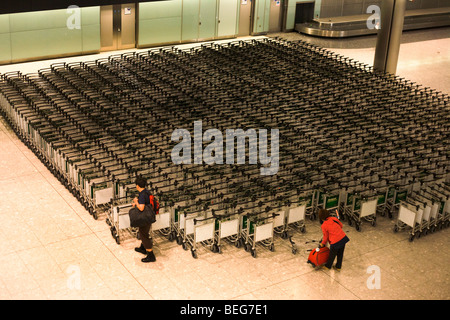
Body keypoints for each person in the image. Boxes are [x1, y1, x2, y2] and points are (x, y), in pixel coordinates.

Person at [132, 177, 156, 263]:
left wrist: (136, 202)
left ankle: (150, 254)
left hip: (145, 218)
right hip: (149, 216)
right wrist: (137, 202)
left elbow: (141, 208)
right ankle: (143, 247)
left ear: (137, 186)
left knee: (144, 235)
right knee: (143, 233)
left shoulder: (142, 194)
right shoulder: (146, 192)